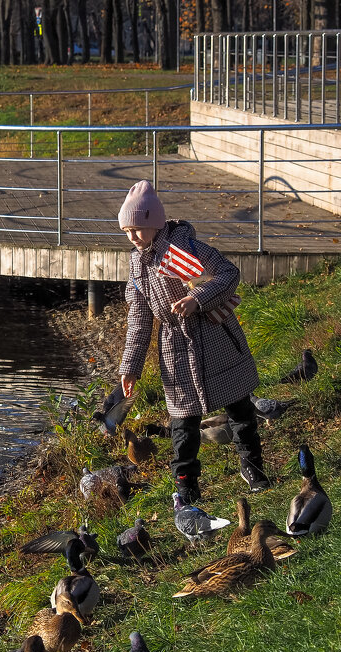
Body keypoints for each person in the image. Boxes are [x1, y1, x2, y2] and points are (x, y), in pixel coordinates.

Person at [116, 180, 270, 503]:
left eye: (137, 229)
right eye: (127, 231)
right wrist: (131, 367)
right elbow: (139, 320)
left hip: (214, 335)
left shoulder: (184, 248)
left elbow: (228, 274)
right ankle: (186, 487)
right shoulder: (137, 265)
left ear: (154, 222)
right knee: (182, 425)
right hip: (175, 349)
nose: (133, 237)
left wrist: (197, 299)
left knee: (240, 408)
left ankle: (253, 466)